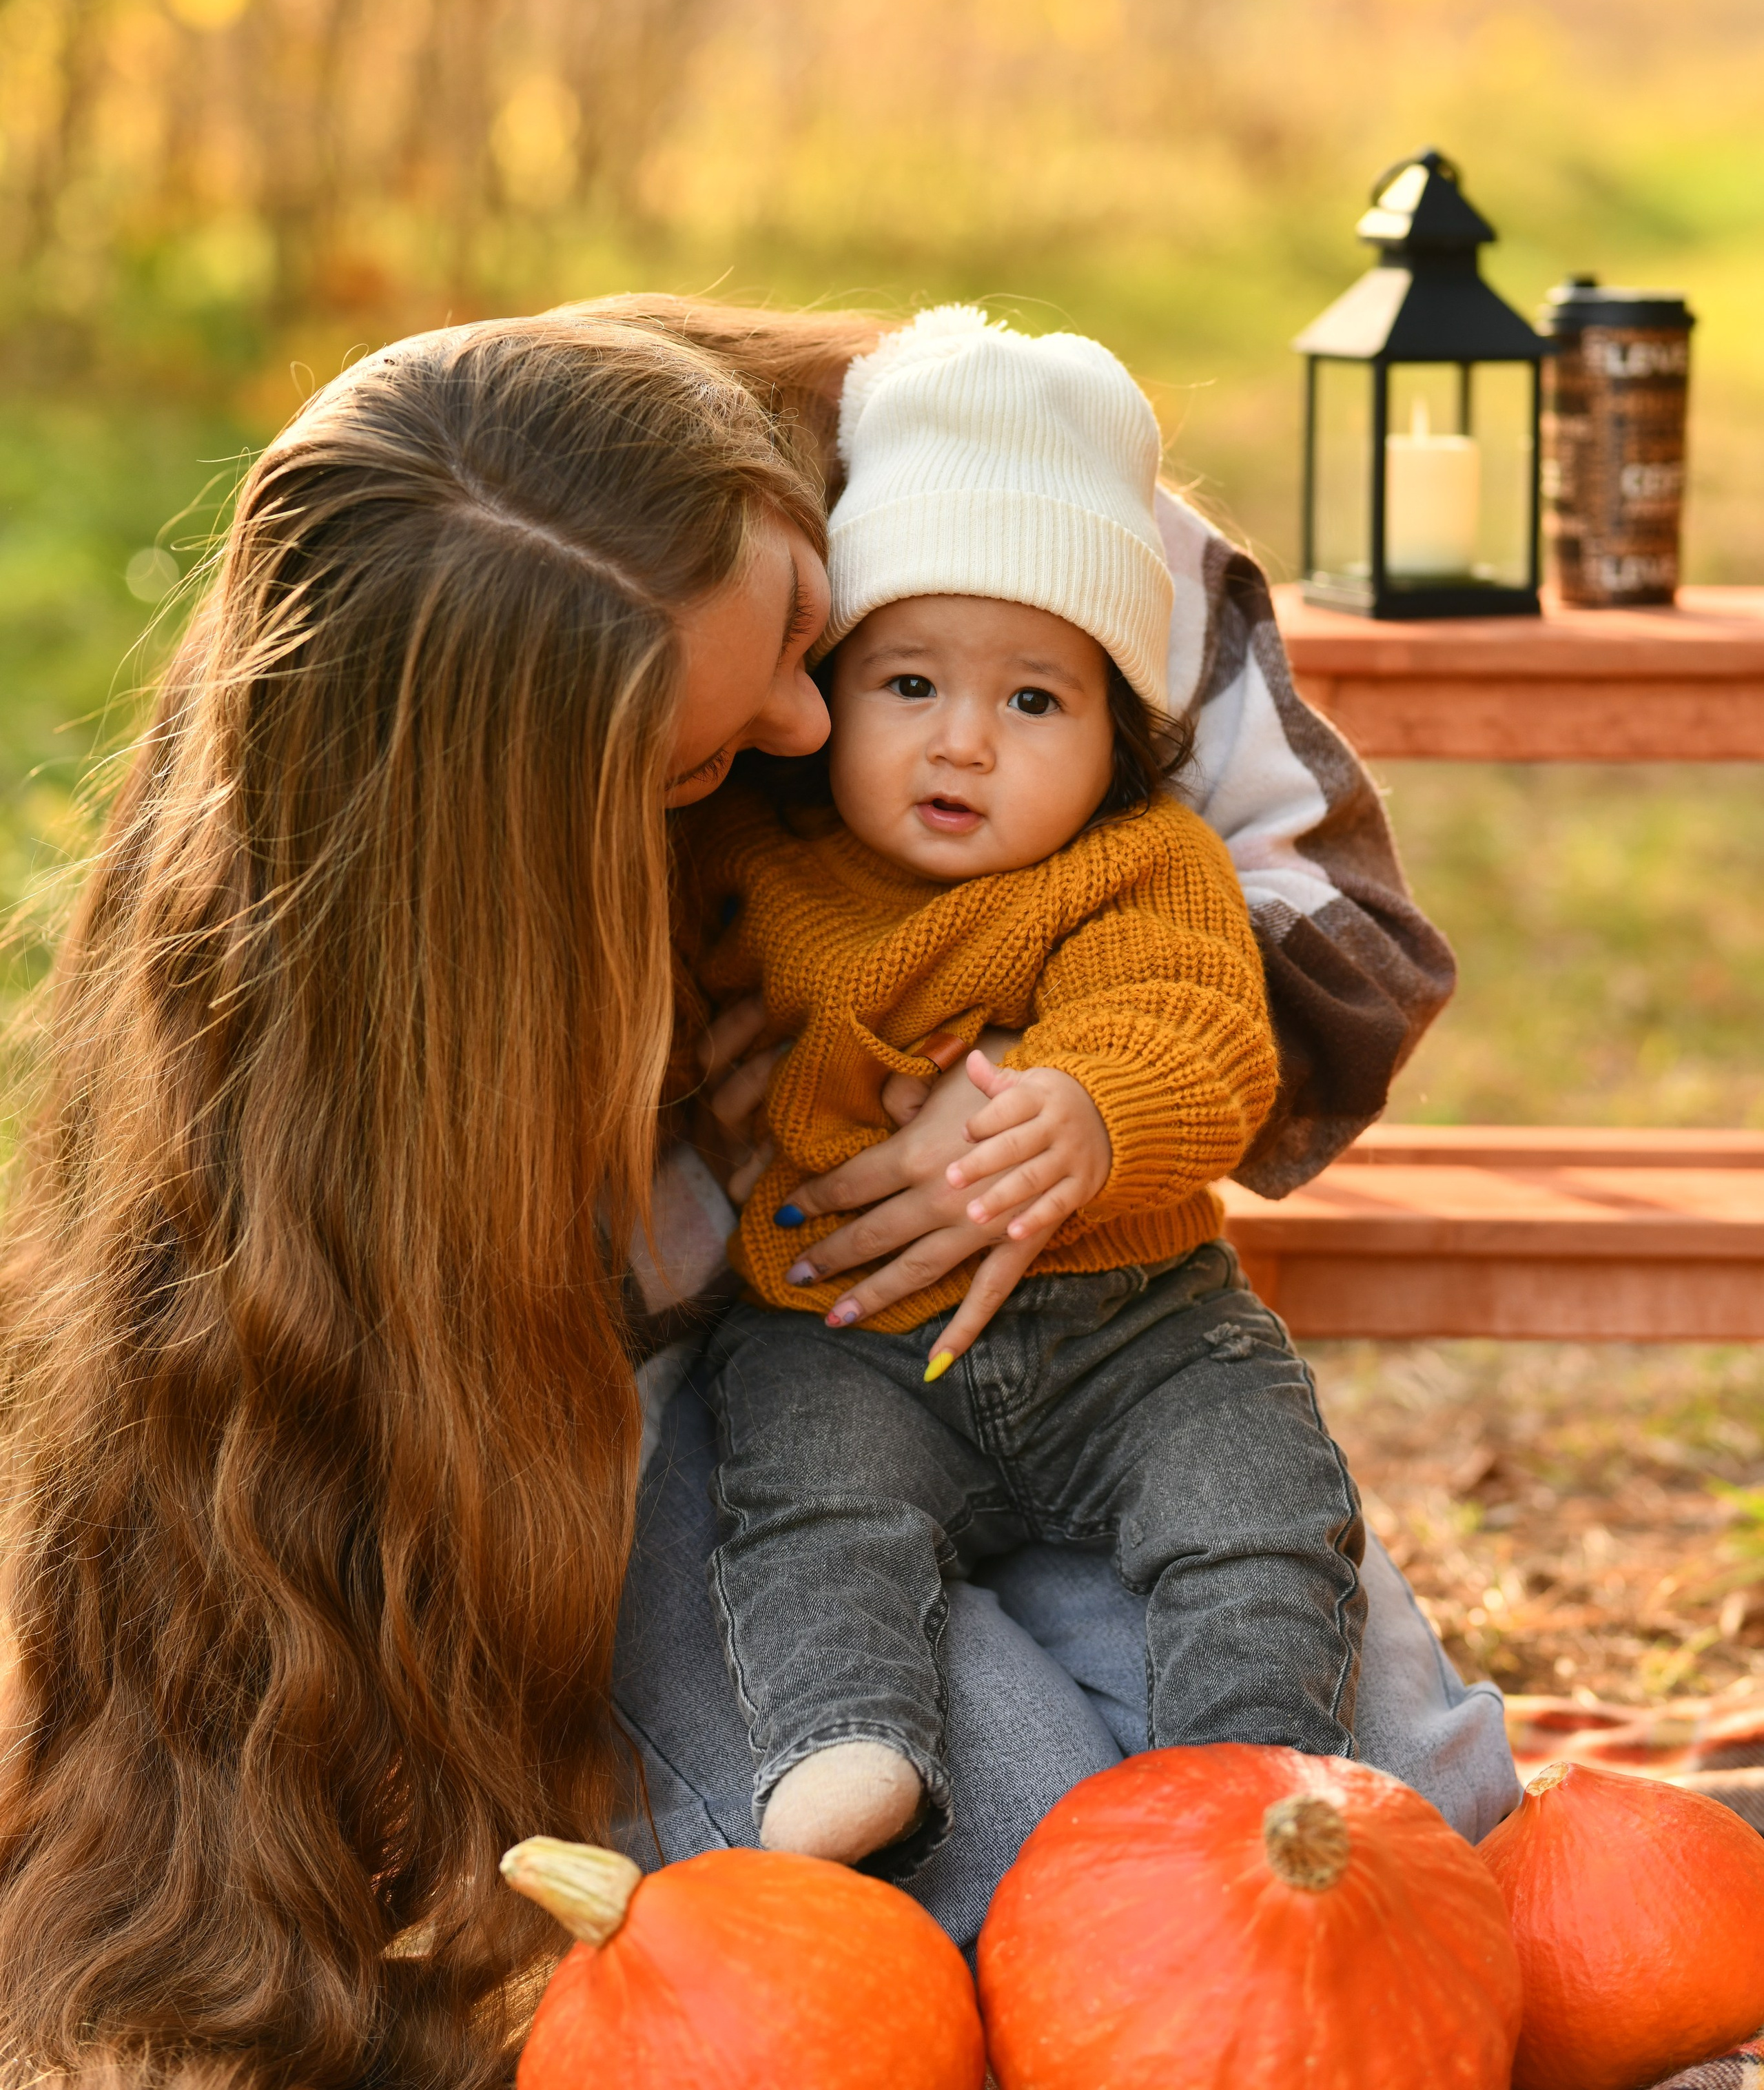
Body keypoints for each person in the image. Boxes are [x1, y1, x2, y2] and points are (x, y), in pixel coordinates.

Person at [0, 298, 1511, 2090]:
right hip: (743, 1393)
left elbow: (1349, 932)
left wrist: (1045, 1082)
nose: (807, 717)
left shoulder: (1011, 479)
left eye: (809, 625)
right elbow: (359, 1362)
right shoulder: (357, 949)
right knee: (975, 1889)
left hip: (1099, 1328)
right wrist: (686, 1136)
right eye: (709, 764)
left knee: (1393, 1836)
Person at [685, 312, 1364, 1869]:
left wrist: (1092, 1109)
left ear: (1119, 737)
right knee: (809, 1511)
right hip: (844, 1330)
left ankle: (1248, 1765)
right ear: (824, 691)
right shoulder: (757, 864)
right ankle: (846, 1742)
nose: (964, 743)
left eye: (1034, 702)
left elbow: (1198, 1026)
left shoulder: (1140, 866)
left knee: (1257, 1503)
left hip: (1134, 1326)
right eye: (909, 682)